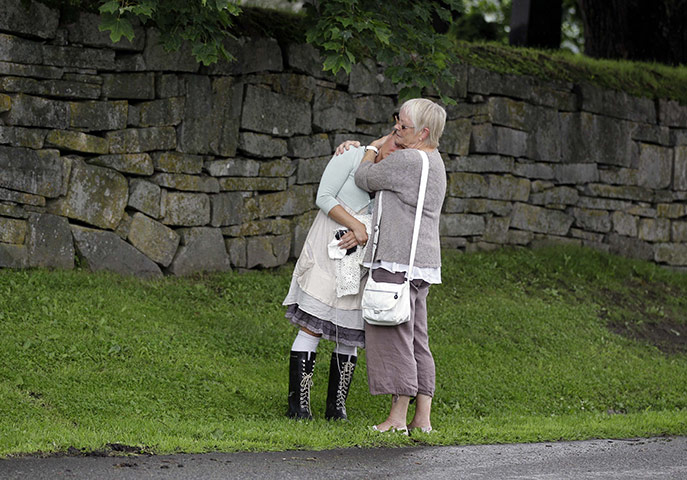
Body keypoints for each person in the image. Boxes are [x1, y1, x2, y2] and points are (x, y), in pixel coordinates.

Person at [283, 133, 401, 421]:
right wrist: (355, 225)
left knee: (349, 328)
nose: (395, 152)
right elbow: (324, 196)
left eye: (402, 149)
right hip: (328, 246)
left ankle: (336, 408)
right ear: (386, 137)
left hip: (359, 258)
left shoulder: (396, 174)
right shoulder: (351, 155)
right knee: (313, 322)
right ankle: (299, 407)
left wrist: (366, 232)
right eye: (394, 143)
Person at [347, 98, 447, 434]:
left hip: (397, 259)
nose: (395, 129)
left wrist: (373, 150)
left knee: (394, 334)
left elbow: (365, 177)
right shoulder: (435, 161)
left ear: (423, 132)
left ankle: (397, 419)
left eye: (403, 126)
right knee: (417, 337)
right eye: (397, 121)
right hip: (422, 262)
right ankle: (423, 419)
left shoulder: (406, 160)